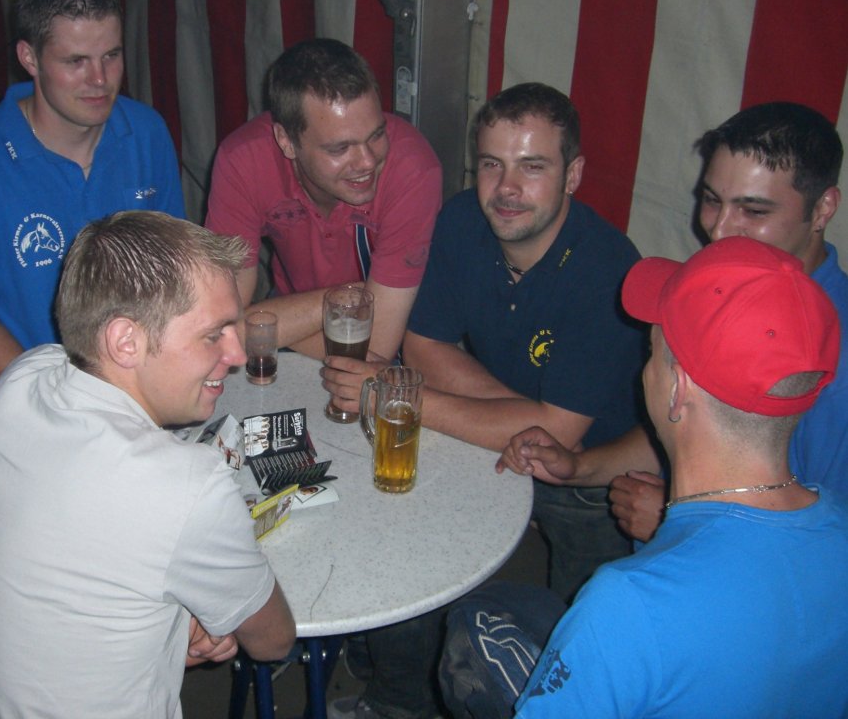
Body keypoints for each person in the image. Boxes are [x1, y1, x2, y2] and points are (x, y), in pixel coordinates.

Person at [327, 84, 646, 719]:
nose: (507, 188)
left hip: (595, 476)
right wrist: (521, 414)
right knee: (401, 525)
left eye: (533, 166)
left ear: (573, 174)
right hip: (493, 434)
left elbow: (562, 437)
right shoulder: (460, 220)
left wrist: (394, 395)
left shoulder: (609, 269)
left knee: (578, 647)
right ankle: (399, 694)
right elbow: (424, 345)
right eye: (492, 164)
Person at [0, 211, 295, 718]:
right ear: (125, 342)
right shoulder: (188, 486)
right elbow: (274, 641)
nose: (238, 354)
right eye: (213, 335)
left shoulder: (23, 378)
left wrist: (173, 626)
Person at [513, 236, 848, 717]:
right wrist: (579, 468)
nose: (645, 369)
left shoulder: (627, 605)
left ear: (678, 391)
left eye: (651, 351)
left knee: (483, 624)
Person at [499, 102, 846, 543]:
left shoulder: (837, 362)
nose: (719, 230)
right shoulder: (720, 284)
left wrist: (680, 519)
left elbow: (827, 551)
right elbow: (691, 422)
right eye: (712, 201)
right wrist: (579, 468)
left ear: (823, 208)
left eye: (754, 211)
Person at [0, 0, 185, 404]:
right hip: (35, 403)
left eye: (111, 56)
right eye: (75, 61)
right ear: (29, 58)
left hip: (140, 393)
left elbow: (171, 268)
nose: (100, 79)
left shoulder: (146, 133)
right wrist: (58, 398)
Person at [204, 37, 442, 361]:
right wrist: (342, 298)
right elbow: (222, 320)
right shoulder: (242, 161)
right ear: (286, 141)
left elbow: (374, 351)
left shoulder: (413, 170)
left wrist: (259, 326)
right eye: (340, 148)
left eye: (376, 135)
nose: (368, 161)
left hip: (385, 335)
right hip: (294, 318)